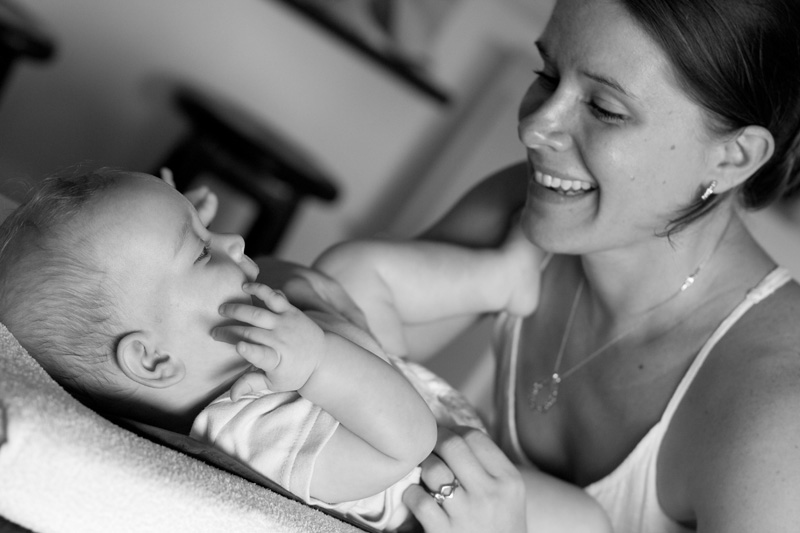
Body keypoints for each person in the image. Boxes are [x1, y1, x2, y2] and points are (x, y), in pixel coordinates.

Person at [327, 0, 799, 531]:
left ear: (733, 157)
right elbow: (332, 314)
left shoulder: (779, 410)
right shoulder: (529, 213)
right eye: (547, 75)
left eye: (605, 108)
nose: (535, 127)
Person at [0, 169, 607, 531]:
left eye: (208, 231)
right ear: (154, 360)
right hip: (456, 481)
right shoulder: (256, 433)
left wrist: (178, 237)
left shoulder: (231, 360)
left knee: (348, 265)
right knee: (585, 522)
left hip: (391, 373)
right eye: (204, 251)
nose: (234, 239)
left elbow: (273, 279)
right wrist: (317, 359)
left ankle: (503, 279)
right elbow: (407, 439)